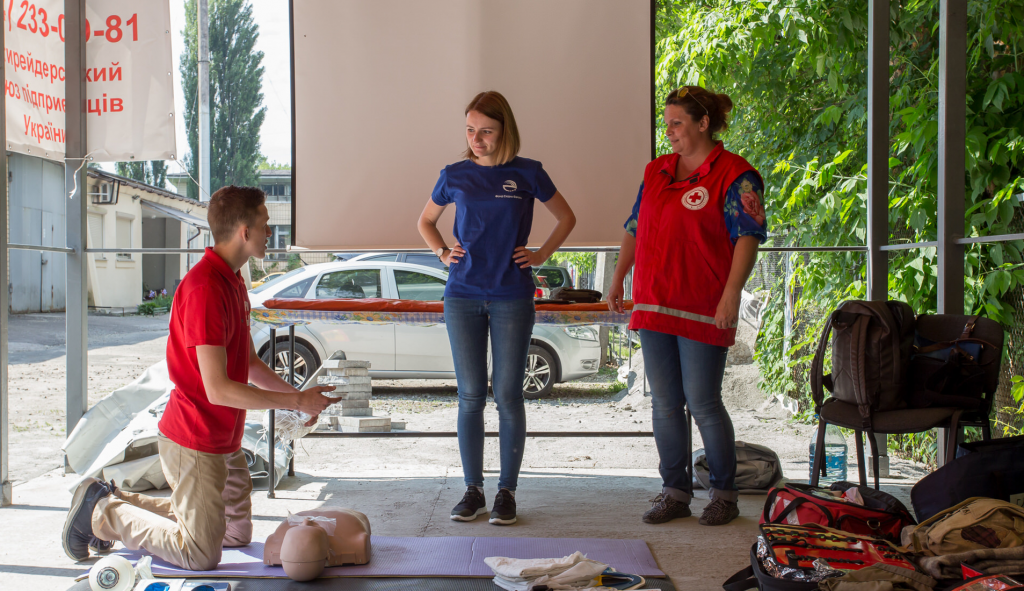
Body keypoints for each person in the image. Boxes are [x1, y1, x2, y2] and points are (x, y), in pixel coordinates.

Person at [62, 186, 341, 569]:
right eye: (264, 225)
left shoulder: (233, 280)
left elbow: (246, 364)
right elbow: (219, 388)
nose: (268, 233)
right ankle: (103, 515)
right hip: (193, 439)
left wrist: (299, 398)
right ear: (244, 231)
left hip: (224, 438)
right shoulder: (206, 288)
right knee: (199, 554)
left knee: (234, 535)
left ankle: (109, 499)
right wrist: (295, 402)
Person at [607, 86, 767, 526]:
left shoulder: (736, 174)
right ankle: (674, 491)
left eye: (677, 122)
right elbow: (635, 227)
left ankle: (723, 493)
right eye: (667, 122)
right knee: (664, 402)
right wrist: (619, 276)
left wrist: (732, 293)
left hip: (703, 306)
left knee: (703, 402)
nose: (669, 130)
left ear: (703, 124)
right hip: (655, 302)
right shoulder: (657, 170)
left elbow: (747, 238)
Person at [418, 91, 577, 525]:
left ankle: (507, 492)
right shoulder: (453, 174)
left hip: (512, 294)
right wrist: (441, 252)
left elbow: (567, 217)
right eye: (470, 131)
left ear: (505, 130)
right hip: (463, 293)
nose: (477, 139)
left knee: (508, 393)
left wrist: (541, 254)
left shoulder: (528, 173)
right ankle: (473, 491)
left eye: (485, 131)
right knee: (470, 395)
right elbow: (425, 221)